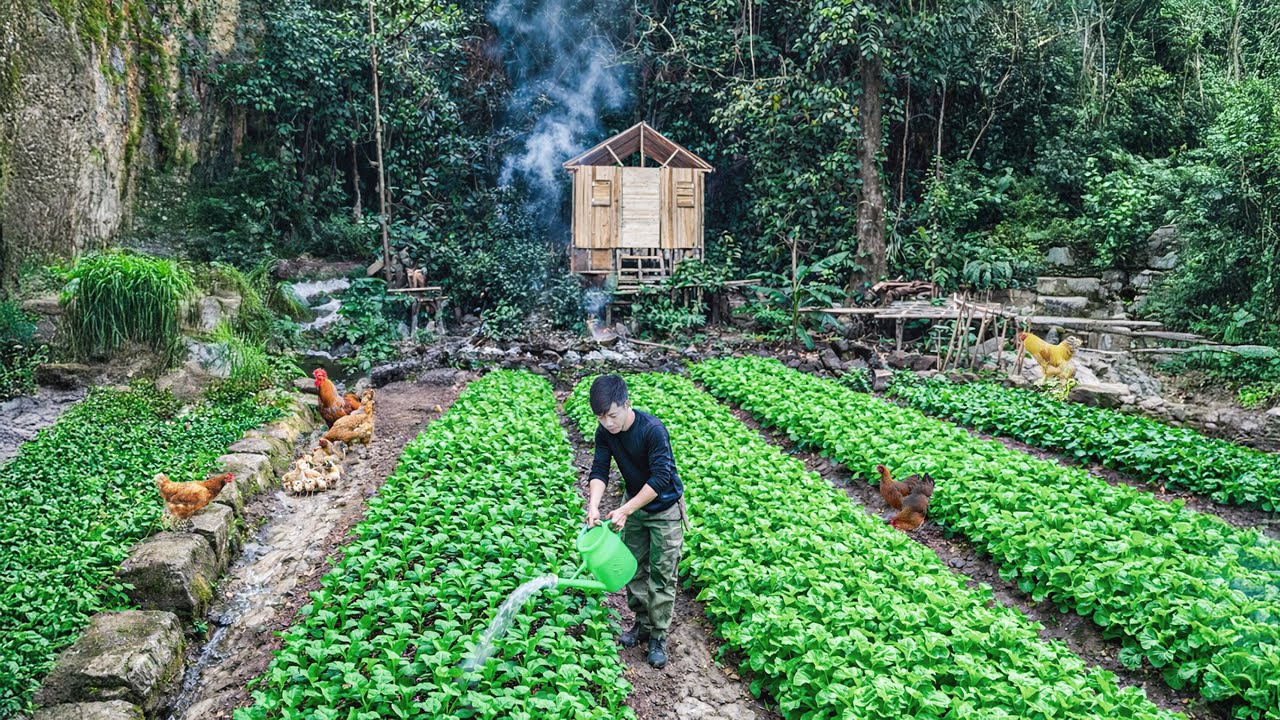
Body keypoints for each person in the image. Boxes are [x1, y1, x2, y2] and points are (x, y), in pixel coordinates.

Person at [585, 374, 685, 669]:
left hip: (664, 507)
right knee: (633, 567)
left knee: (662, 574)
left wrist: (625, 509)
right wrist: (593, 505)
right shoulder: (604, 432)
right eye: (602, 419)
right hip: (634, 506)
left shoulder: (652, 430)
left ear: (626, 404)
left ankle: (658, 634)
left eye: (612, 416)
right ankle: (641, 625)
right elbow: (599, 469)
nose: (608, 424)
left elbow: (661, 477)